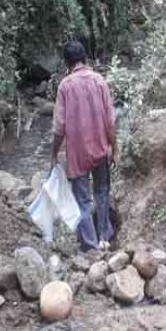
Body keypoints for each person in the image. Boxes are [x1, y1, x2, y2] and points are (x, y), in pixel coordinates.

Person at [51, 40, 118, 251]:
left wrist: (53, 154)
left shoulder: (65, 86)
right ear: (85, 59)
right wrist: (114, 148)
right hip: (100, 147)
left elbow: (59, 127)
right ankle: (105, 236)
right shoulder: (99, 81)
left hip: (77, 153)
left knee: (82, 200)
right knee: (102, 192)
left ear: (67, 63)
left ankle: (90, 246)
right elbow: (110, 120)